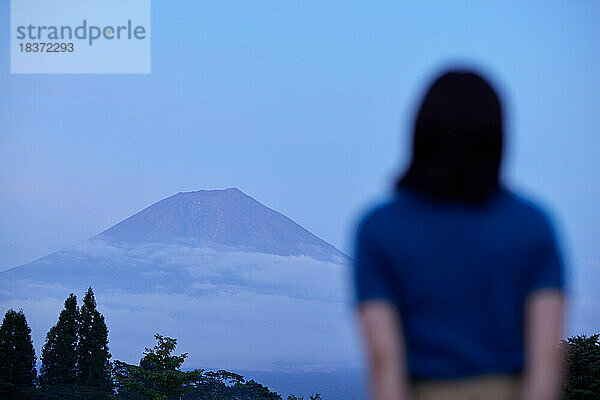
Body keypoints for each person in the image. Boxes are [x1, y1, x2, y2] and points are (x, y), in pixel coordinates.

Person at [353, 70, 565, 400]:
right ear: (496, 137)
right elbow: (546, 359)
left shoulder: (379, 228)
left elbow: (384, 362)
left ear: (421, 132)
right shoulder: (533, 225)